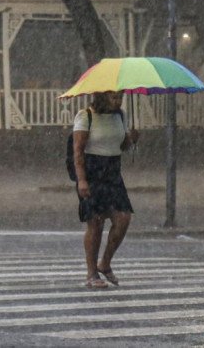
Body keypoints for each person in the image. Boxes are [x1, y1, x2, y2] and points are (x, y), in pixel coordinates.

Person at [73, 91, 139, 288]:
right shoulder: (86, 116)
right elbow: (77, 151)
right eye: (113, 97)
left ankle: (105, 263)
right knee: (96, 223)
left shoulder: (120, 116)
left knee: (123, 218)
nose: (118, 101)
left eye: (120, 97)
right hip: (92, 171)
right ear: (101, 97)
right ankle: (92, 273)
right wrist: (82, 180)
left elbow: (122, 146)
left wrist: (132, 139)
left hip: (113, 171)